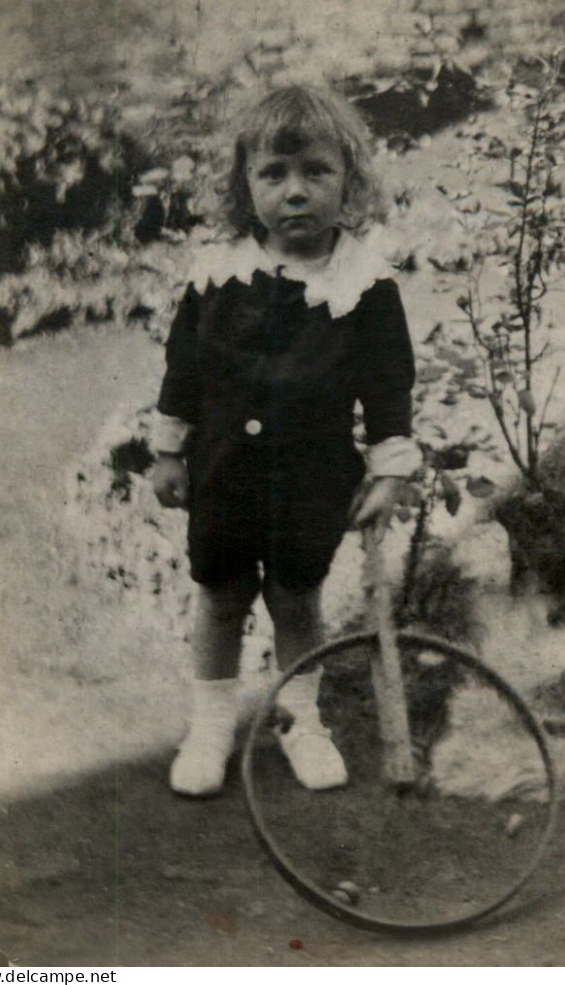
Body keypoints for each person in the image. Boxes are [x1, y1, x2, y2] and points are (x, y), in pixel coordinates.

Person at [150, 85, 419, 797]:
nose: (294, 192)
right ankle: (211, 724)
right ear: (245, 185)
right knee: (220, 592)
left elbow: (389, 387)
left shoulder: (365, 284)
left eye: (315, 173)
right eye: (274, 175)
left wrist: (389, 470)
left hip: (312, 475)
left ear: (348, 179)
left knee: (296, 598)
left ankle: (299, 718)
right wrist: (169, 448)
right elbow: (184, 366)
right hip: (225, 470)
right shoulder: (218, 275)